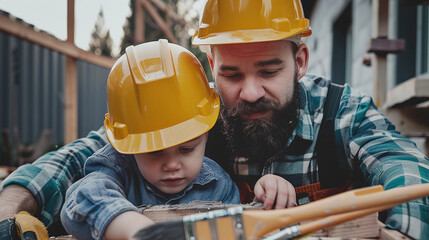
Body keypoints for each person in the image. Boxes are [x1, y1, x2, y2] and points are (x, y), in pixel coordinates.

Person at [1, 0, 428, 239]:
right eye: (231, 74)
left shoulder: (342, 113)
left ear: (299, 60)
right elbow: (86, 157)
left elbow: (405, 169)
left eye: (268, 70)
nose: (249, 92)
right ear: (211, 65)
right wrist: (9, 208)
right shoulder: (195, 111)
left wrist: (401, 234)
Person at [60, 39, 240, 240]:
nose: (172, 165)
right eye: (154, 151)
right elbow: (84, 196)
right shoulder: (118, 168)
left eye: (186, 149)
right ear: (129, 146)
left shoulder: (219, 186)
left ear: (206, 134)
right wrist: (135, 229)